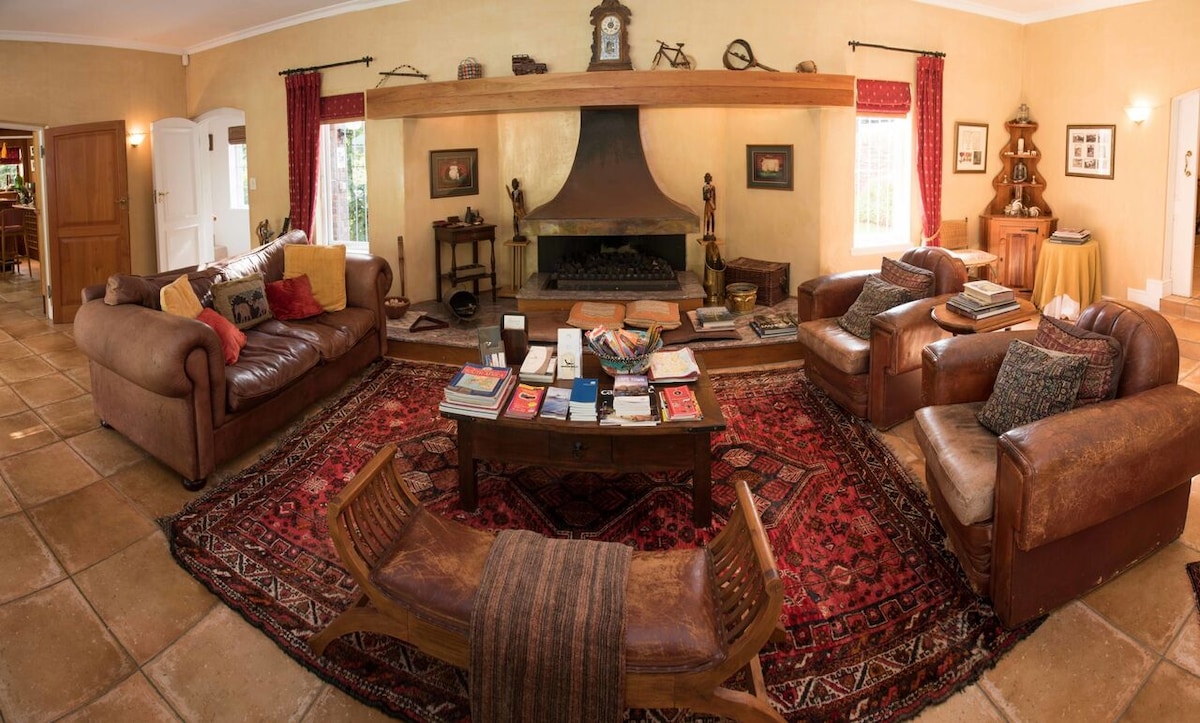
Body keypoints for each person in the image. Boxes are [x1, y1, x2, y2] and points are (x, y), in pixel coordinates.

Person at [702, 172, 717, 239]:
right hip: (708, 203)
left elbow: (714, 196)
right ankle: (707, 232)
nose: (708, 179)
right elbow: (704, 197)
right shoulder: (704, 187)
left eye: (708, 178)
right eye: (707, 178)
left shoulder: (713, 187)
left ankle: (713, 232)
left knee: (713, 217)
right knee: (708, 218)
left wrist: (714, 204)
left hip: (712, 203)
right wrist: (707, 195)